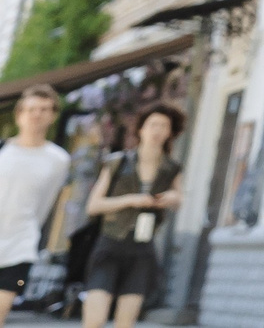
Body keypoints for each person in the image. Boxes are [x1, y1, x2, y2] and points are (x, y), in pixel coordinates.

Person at [81, 106, 180, 328]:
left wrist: (171, 198)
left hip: (142, 250)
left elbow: (178, 199)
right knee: (94, 321)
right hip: (110, 244)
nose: (157, 130)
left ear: (169, 133)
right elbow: (93, 205)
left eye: (164, 126)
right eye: (153, 124)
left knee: (125, 324)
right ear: (141, 129)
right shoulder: (117, 162)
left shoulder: (171, 168)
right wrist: (131, 200)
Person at [0, 87, 70, 323]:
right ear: (19, 114)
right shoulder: (3, 151)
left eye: (43, 110)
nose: (36, 115)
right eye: (31, 109)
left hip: (20, 244)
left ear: (52, 115)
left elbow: (47, 204)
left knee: (2, 306)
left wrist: (30, 232)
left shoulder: (59, 160)